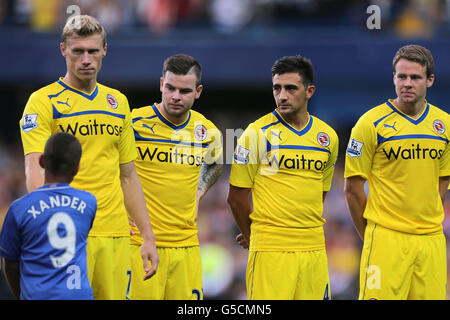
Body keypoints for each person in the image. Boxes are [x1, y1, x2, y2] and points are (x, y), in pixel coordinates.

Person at [18, 15, 159, 300]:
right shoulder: (43, 102)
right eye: (77, 51)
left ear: (104, 50)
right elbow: (35, 168)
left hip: (115, 233)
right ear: (63, 50)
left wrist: (147, 235)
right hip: (68, 233)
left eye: (93, 51)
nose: (86, 59)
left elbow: (128, 175)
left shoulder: (118, 102)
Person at [227, 55, 339, 300]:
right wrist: (254, 236)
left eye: (291, 88)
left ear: (309, 91)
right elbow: (236, 197)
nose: (282, 95)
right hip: (271, 251)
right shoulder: (256, 134)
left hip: (314, 249)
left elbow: (320, 193)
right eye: (277, 88)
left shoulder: (328, 137)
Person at [344, 44, 450, 300]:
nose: (407, 83)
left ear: (430, 80)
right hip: (386, 240)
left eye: (415, 77)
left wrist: (425, 219)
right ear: (394, 78)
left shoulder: (444, 125)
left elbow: (443, 180)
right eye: (401, 76)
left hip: (431, 241)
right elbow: (353, 189)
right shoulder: (370, 124)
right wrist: (372, 234)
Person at [128, 54, 223, 300]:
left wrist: (199, 192)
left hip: (186, 245)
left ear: (198, 91)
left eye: (184, 90)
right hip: (138, 243)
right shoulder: (133, 123)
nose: (175, 96)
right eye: (170, 88)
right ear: (161, 84)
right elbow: (111, 169)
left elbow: (214, 165)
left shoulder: (207, 132)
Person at [0, 132, 96, 300]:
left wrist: (20, 295)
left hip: (38, 296)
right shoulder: (89, 203)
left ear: (42, 161)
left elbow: (10, 264)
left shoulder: (18, 209)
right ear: (77, 167)